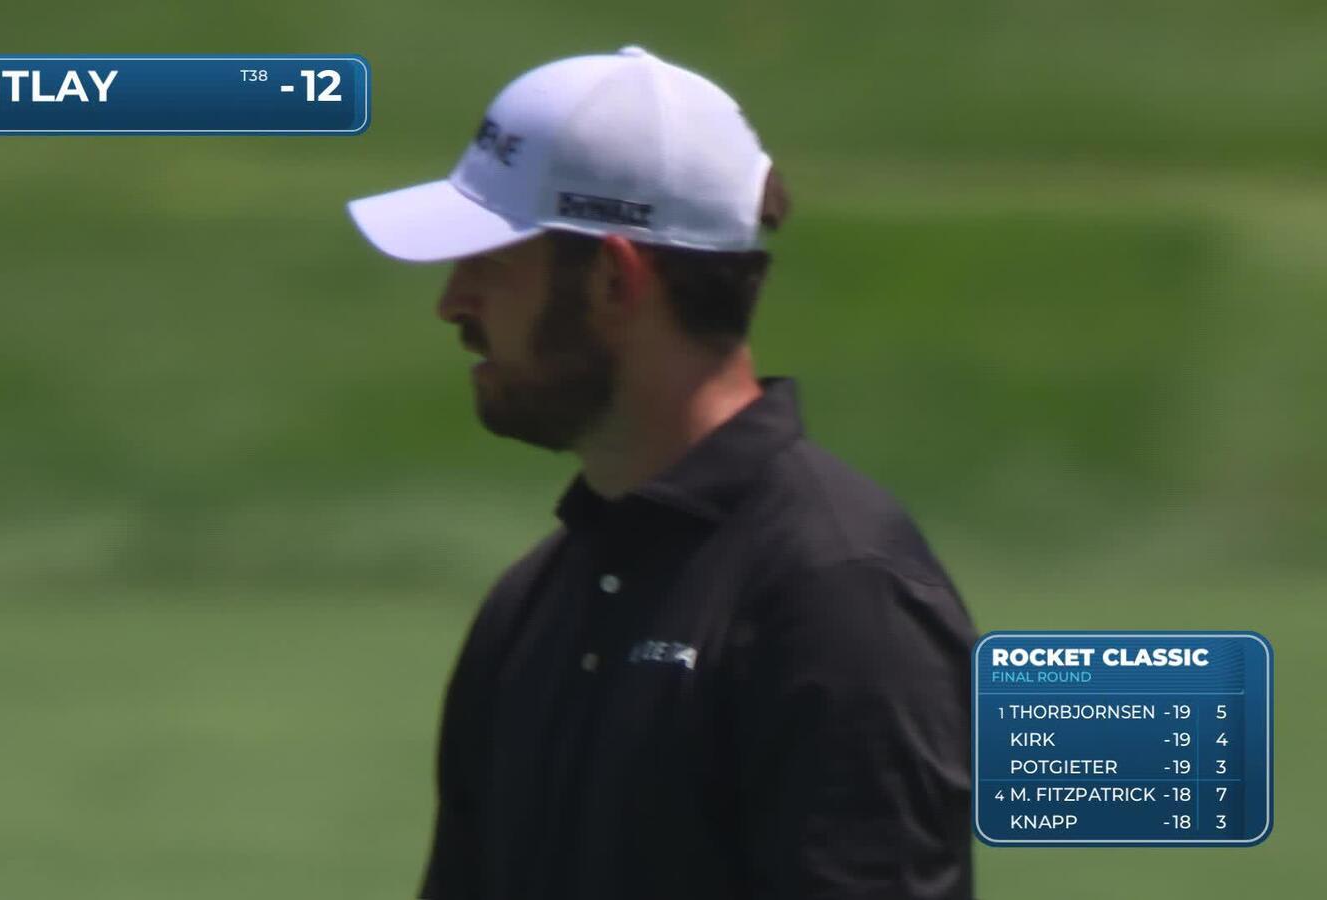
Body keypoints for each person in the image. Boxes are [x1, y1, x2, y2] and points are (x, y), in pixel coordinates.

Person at [347, 45, 976, 900]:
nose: (452, 302)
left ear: (613, 278)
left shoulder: (838, 594)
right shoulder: (531, 604)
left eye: (489, 263)